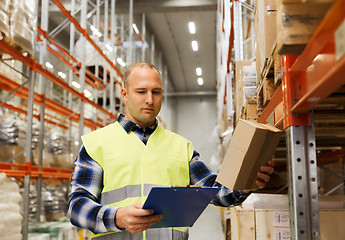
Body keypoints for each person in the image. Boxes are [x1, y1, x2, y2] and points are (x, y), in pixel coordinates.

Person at [68, 62, 274, 240]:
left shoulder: (180, 146)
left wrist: (246, 184)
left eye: (156, 92)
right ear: (124, 94)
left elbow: (214, 191)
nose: (150, 99)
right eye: (141, 92)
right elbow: (77, 207)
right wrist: (117, 217)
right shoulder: (97, 143)